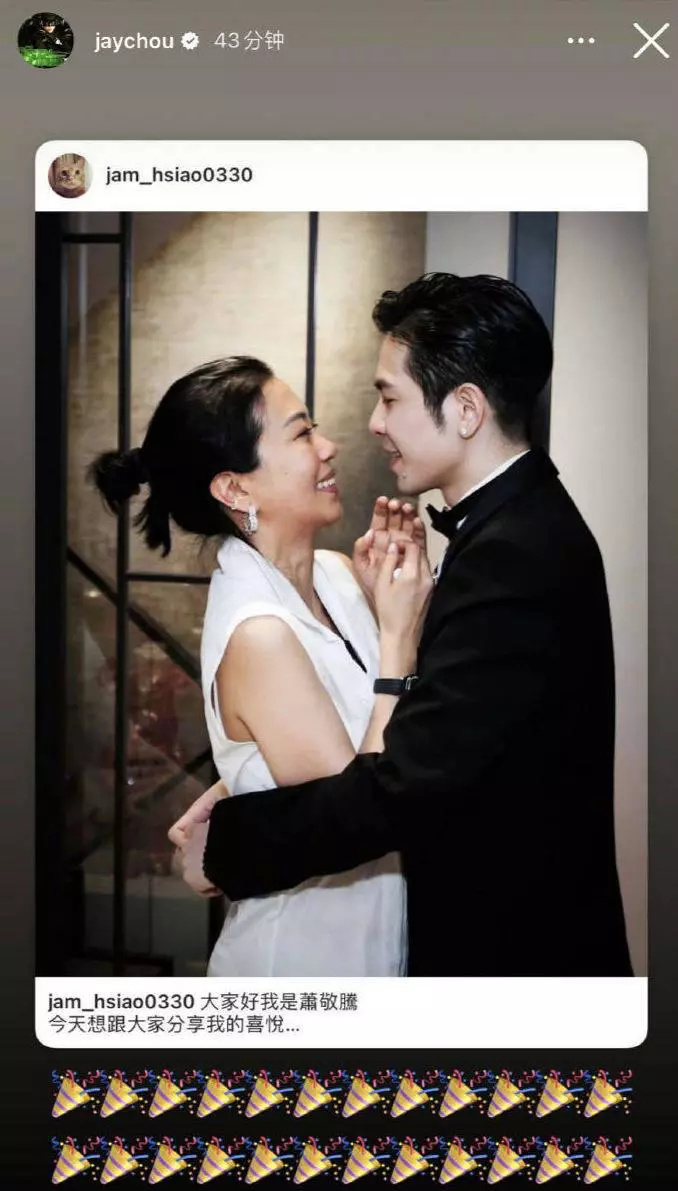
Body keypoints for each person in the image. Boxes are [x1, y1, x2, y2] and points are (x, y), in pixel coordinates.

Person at [173, 273, 633, 977]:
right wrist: (240, 783)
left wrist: (226, 847)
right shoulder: (512, 530)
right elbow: (432, 735)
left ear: (466, 409)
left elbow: (402, 788)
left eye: (389, 398)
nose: (371, 425)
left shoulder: (513, 553)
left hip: (511, 956)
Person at [90, 355, 433, 975]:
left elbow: (386, 737)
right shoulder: (259, 634)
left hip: (379, 939)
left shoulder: (336, 574)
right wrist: (397, 636)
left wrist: (390, 608)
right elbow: (359, 813)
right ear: (235, 489)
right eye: (301, 435)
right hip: (301, 961)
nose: (328, 447)